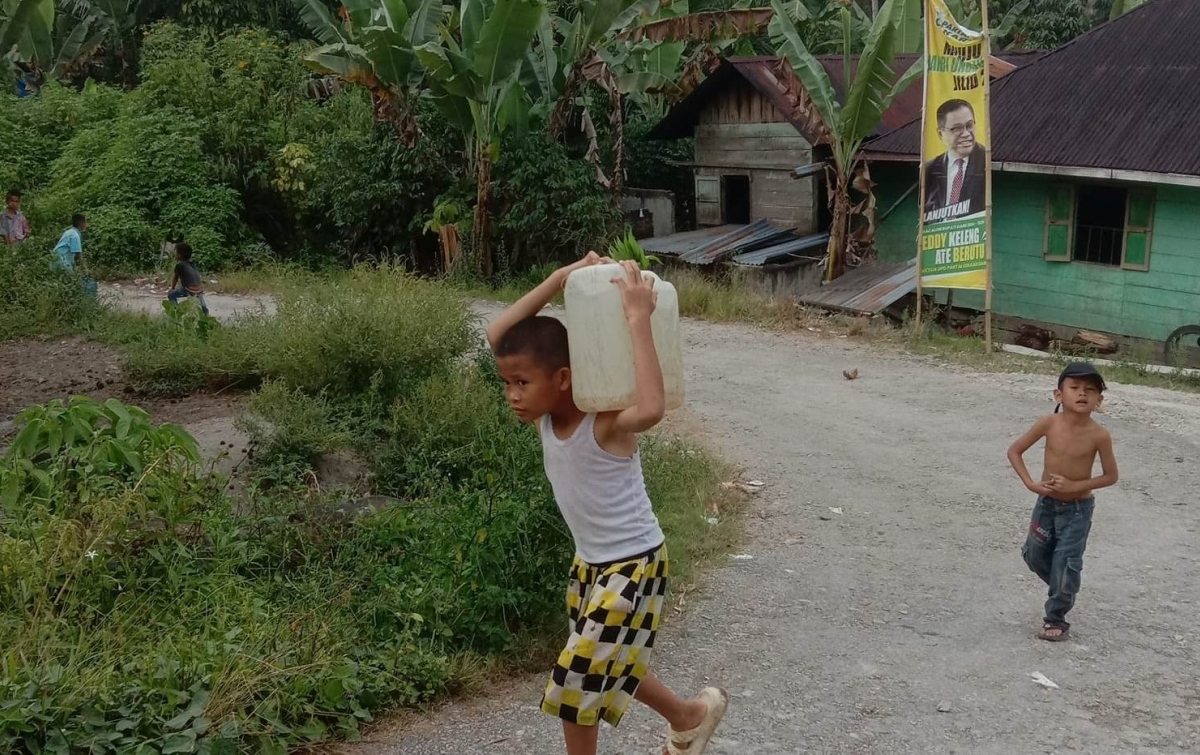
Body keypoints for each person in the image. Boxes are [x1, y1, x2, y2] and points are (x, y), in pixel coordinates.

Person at [486, 252, 728, 755]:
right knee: (614, 663)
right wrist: (558, 277)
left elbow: (654, 407)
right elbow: (498, 336)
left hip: (635, 565)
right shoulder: (547, 418)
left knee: (578, 678)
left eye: (522, 383)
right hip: (591, 565)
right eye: (507, 383)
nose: (512, 394)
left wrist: (638, 318)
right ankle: (691, 717)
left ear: (564, 379)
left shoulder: (605, 423)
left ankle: (687, 719)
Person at [1007, 362, 1119, 642]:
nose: (1082, 394)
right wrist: (1031, 483)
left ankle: (1056, 617)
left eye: (1090, 390)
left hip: (1078, 510)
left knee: (1067, 562)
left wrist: (1076, 486)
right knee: (1034, 556)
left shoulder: (1099, 435)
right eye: (1075, 388)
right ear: (1059, 395)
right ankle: (1062, 585)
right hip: (1046, 504)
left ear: (1099, 400)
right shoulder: (1048, 423)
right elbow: (1015, 451)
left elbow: (1110, 476)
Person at [923, 99, 988, 217]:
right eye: (957, 128)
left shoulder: (987, 161)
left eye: (970, 125)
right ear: (940, 133)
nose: (966, 134)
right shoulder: (929, 168)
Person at [166, 242, 210, 316]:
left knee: (171, 295)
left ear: (179, 255)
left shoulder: (179, 265)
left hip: (188, 288)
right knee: (199, 296)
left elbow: (175, 278)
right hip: (199, 287)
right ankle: (206, 312)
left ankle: (177, 312)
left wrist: (172, 288)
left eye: (176, 252)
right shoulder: (192, 264)